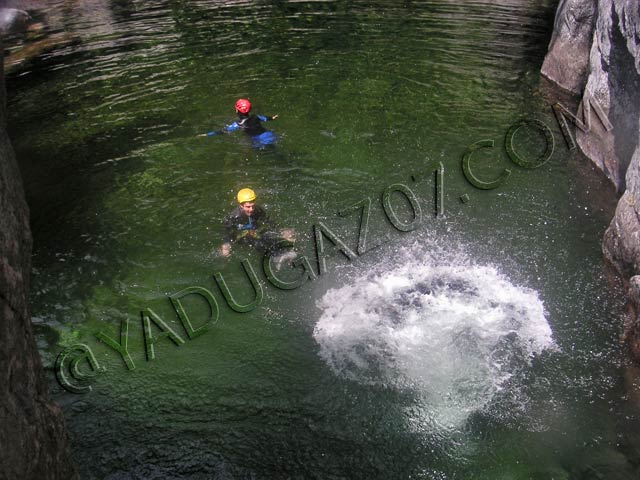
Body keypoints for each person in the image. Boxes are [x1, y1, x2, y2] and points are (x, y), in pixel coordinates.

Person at [221, 188, 294, 257]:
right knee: (257, 243)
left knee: (269, 236)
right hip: (242, 234)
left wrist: (281, 231)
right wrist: (226, 245)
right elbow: (226, 231)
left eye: (253, 206)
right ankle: (276, 257)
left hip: (254, 229)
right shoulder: (234, 216)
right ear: (241, 206)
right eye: (248, 207)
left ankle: (285, 252)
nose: (251, 209)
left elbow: (268, 220)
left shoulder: (257, 210)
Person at [198, 99, 279, 148]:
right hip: (268, 135)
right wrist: (273, 117)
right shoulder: (256, 116)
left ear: (237, 111)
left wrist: (207, 134)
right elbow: (266, 118)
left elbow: (223, 131)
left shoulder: (238, 124)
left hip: (258, 141)